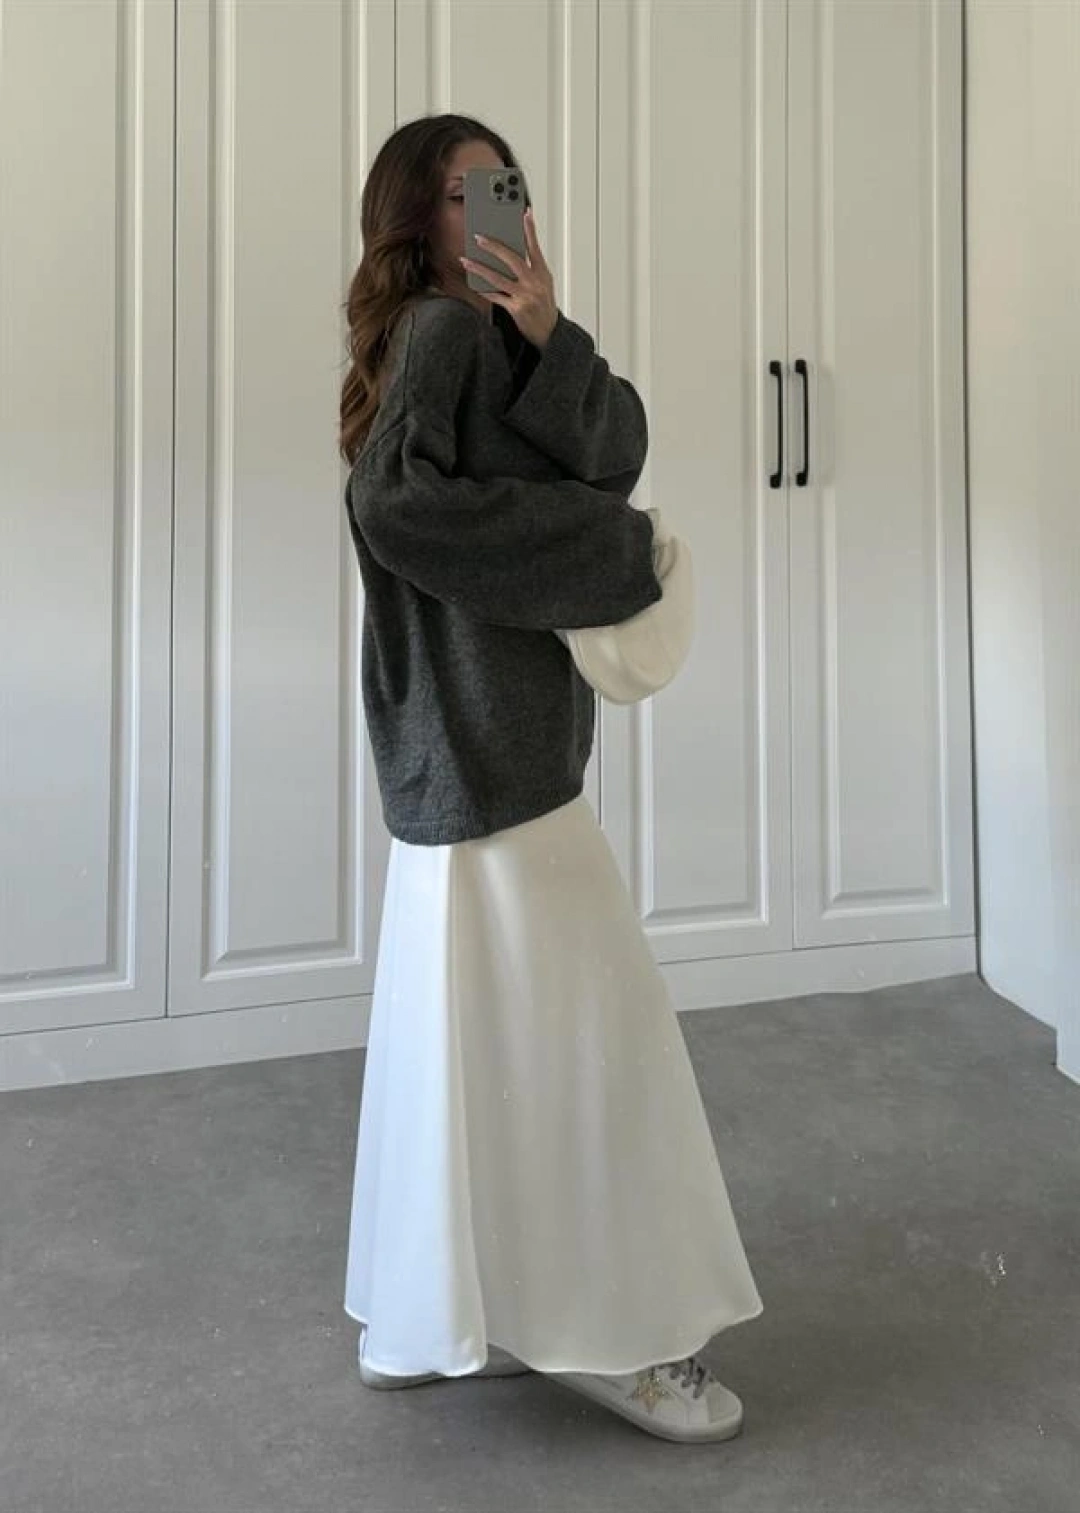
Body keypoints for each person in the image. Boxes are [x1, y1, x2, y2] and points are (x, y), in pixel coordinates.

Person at [338, 113, 764, 1447]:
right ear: (419, 221)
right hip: (494, 748)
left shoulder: (488, 334)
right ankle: (623, 1344)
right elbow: (395, 506)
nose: (498, 210)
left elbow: (613, 442)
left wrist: (549, 332)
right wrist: (606, 548)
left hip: (466, 750)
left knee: (462, 1046)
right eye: (467, 193)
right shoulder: (440, 333)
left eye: (505, 186)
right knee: (593, 1054)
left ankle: (425, 1317)